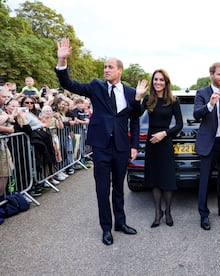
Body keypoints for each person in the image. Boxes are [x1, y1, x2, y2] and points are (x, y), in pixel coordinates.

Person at [55, 38, 141, 246]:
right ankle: (106, 228)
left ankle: (120, 222)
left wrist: (135, 146)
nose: (106, 70)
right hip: (101, 147)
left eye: (110, 67)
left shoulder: (130, 92)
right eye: (104, 67)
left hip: (121, 147)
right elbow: (69, 84)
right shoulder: (95, 87)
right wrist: (62, 62)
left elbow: (135, 120)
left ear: (120, 70)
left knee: (119, 188)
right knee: (102, 189)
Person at [135, 69, 183, 228]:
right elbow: (135, 115)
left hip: (165, 142)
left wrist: (164, 134)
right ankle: (158, 213)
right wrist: (138, 97)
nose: (158, 83)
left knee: (167, 180)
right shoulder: (148, 99)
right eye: (155, 79)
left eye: (161, 80)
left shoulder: (173, 100)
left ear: (166, 82)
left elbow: (179, 125)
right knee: (155, 180)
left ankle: (168, 212)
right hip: (151, 144)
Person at [193, 62, 220, 231]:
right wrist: (210, 105)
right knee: (204, 180)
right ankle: (203, 215)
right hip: (209, 143)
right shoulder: (202, 93)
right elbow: (197, 114)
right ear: (211, 75)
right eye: (219, 74)